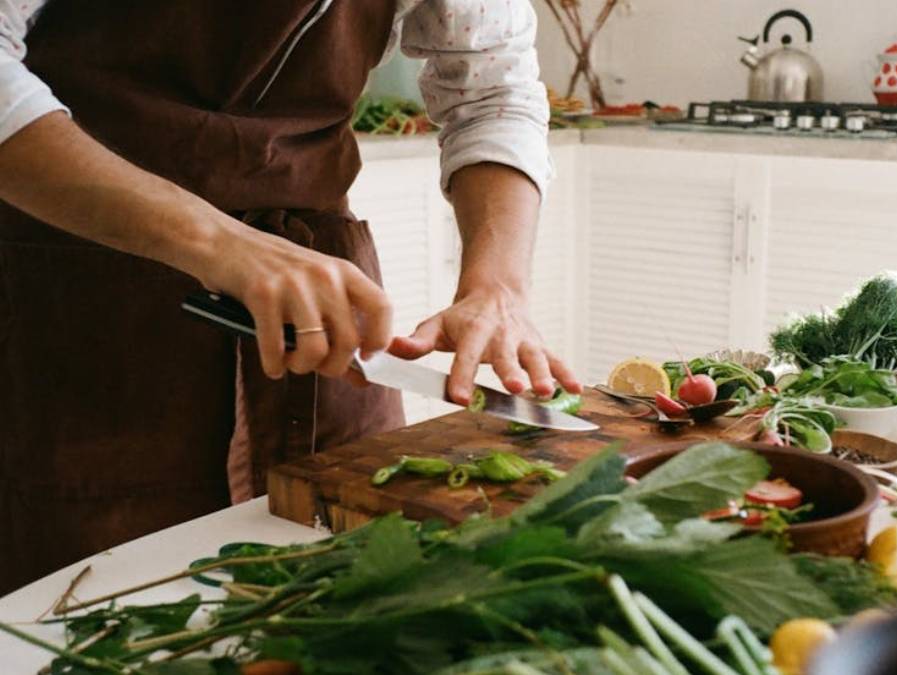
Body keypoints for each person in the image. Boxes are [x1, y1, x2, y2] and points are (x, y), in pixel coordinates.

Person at [0, 0, 580, 594]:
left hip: (324, 311)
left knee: (350, 585)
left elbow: (493, 90)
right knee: (90, 605)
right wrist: (218, 242)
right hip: (71, 302)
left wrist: (497, 285)